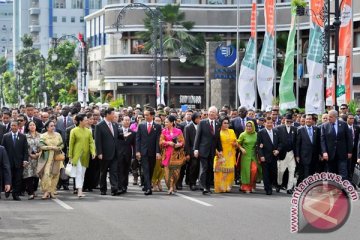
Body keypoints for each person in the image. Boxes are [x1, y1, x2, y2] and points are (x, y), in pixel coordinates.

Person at [194, 106, 223, 195]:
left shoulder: (218, 124)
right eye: (210, 112)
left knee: (210, 169)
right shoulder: (202, 123)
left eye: (213, 112)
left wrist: (220, 149)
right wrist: (196, 149)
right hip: (203, 149)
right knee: (204, 168)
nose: (211, 114)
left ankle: (208, 186)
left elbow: (218, 138)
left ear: (216, 114)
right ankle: (203, 187)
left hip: (212, 150)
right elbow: (197, 137)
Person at [68, 114, 96, 198]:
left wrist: (93, 151)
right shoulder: (74, 131)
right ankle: (79, 190)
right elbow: (71, 143)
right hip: (77, 155)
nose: (87, 121)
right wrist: (70, 155)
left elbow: (91, 142)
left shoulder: (88, 131)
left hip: (85, 155)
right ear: (80, 121)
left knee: (82, 173)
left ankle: (79, 188)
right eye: (85, 120)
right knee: (79, 172)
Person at [135, 108, 162, 196]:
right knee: (146, 169)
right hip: (143, 152)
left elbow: (158, 140)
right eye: (144, 115)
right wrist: (138, 151)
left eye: (147, 115)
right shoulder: (141, 125)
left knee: (151, 169)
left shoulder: (157, 126)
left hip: (153, 152)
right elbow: (138, 139)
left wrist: (158, 152)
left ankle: (147, 185)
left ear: (152, 116)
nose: (145, 117)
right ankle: (148, 188)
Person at [320, 110, 353, 180]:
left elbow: (349, 139)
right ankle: (333, 190)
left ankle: (343, 190)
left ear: (336, 117)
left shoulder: (344, 124)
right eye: (328, 116)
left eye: (330, 117)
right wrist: (324, 152)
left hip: (342, 154)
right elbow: (322, 140)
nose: (329, 118)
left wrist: (350, 151)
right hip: (330, 154)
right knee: (331, 175)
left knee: (343, 174)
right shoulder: (324, 126)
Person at [95, 108, 120, 196]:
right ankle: (103, 189)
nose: (114, 116)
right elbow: (98, 141)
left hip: (114, 153)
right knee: (103, 172)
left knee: (114, 171)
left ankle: (114, 189)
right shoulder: (99, 125)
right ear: (108, 114)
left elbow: (116, 137)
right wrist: (99, 153)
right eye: (113, 114)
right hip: (104, 153)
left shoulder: (115, 124)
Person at [1, 120, 29, 201]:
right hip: (8, 162)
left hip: (19, 162)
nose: (13, 127)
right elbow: (3, 149)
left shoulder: (23, 136)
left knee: (18, 179)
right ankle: (7, 190)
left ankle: (15, 194)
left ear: (18, 127)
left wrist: (25, 160)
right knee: (9, 177)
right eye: (12, 125)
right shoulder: (6, 136)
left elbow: (25, 150)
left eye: (15, 125)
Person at [37, 120, 64, 199]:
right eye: (51, 126)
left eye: (53, 126)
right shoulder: (43, 136)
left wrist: (58, 148)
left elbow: (62, 144)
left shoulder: (58, 135)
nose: (53, 127)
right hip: (46, 158)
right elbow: (41, 146)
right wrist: (51, 147)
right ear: (47, 127)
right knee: (46, 174)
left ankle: (51, 191)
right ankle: (46, 191)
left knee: (55, 174)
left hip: (56, 157)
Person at [159, 115, 186, 195]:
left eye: (167, 122)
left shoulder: (178, 131)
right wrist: (168, 142)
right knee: (167, 174)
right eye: (165, 122)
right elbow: (161, 142)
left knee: (176, 173)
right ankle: (170, 187)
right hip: (167, 154)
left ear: (172, 122)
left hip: (176, 155)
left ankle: (173, 184)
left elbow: (183, 142)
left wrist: (179, 144)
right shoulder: (164, 131)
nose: (165, 123)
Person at [257, 117, 280, 195]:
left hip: (274, 156)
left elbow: (280, 143)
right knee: (266, 174)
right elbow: (258, 145)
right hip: (265, 157)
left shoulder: (276, 131)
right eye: (268, 123)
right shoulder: (261, 132)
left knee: (273, 173)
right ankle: (268, 189)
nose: (269, 124)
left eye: (271, 123)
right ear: (264, 123)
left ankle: (270, 185)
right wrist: (261, 156)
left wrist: (278, 150)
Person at [213, 116, 237, 193]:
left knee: (228, 171)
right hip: (221, 153)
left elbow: (236, 142)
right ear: (221, 124)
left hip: (230, 154)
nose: (226, 125)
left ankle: (227, 185)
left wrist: (235, 144)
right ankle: (221, 185)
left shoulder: (231, 131)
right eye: (224, 123)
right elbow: (214, 144)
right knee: (221, 171)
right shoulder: (217, 132)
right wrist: (217, 152)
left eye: (227, 123)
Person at [276, 114, 297, 194]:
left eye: (290, 121)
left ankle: (289, 188)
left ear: (292, 121)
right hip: (282, 154)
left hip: (291, 153)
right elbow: (277, 141)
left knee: (292, 171)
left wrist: (297, 155)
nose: (288, 122)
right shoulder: (278, 128)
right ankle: (279, 184)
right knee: (281, 171)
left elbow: (296, 142)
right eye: (287, 121)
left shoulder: (295, 129)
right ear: (284, 120)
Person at [296, 114, 320, 183]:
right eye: (307, 119)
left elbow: (318, 143)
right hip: (304, 155)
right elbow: (298, 144)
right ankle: (306, 187)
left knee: (312, 172)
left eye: (310, 119)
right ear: (305, 120)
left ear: (312, 120)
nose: (308, 120)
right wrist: (297, 155)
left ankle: (310, 187)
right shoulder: (300, 130)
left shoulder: (316, 129)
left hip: (314, 155)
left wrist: (320, 153)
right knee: (305, 172)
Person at [238, 121, 258, 193]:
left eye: (250, 126)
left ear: (253, 127)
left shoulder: (256, 134)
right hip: (245, 156)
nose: (249, 127)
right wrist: (241, 148)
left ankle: (252, 185)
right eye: (247, 126)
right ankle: (245, 187)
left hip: (253, 156)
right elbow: (238, 143)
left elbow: (259, 143)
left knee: (254, 170)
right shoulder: (243, 134)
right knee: (246, 171)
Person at [117, 116, 136, 194]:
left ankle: (125, 186)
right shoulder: (117, 131)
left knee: (126, 171)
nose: (127, 122)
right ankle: (119, 186)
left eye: (128, 120)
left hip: (128, 154)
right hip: (118, 154)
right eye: (125, 120)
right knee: (119, 170)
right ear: (122, 121)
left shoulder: (133, 132)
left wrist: (134, 155)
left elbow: (134, 145)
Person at [23, 121, 41, 200]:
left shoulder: (40, 136)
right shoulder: (25, 136)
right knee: (29, 175)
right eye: (30, 125)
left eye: (33, 125)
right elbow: (24, 148)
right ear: (28, 127)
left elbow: (43, 146)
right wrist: (30, 154)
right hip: (29, 158)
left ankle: (33, 190)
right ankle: (31, 192)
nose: (32, 126)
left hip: (38, 158)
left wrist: (38, 153)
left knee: (36, 175)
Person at [184, 112, 201, 191]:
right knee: (192, 167)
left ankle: (195, 181)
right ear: (194, 119)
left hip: (200, 150)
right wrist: (187, 153)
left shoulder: (200, 126)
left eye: (199, 118)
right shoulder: (188, 127)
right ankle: (191, 183)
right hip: (191, 151)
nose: (199, 120)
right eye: (197, 118)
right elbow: (186, 142)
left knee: (197, 167)